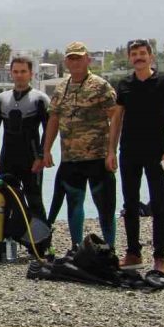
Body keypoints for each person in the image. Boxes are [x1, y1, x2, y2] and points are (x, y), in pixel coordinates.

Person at [110, 39, 164, 274]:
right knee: (130, 204)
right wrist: (111, 150)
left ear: (150, 56)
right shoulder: (125, 84)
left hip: (157, 151)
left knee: (159, 204)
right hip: (129, 151)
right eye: (134, 54)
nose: (138, 57)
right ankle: (133, 253)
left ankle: (160, 257)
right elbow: (117, 119)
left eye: (142, 53)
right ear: (129, 58)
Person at [43, 42, 119, 251]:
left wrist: (112, 151)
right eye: (71, 58)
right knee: (74, 205)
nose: (75, 62)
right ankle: (77, 247)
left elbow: (116, 117)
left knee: (105, 206)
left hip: (98, 157)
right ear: (66, 61)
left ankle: (110, 249)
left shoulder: (101, 86)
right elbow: (53, 120)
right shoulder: (61, 88)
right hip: (71, 158)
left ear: (88, 59)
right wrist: (46, 150)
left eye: (79, 57)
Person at [0, 57, 50, 228]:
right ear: (11, 74)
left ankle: (41, 243)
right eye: (16, 72)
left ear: (31, 74)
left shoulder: (40, 99)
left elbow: (49, 131)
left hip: (31, 159)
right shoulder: (1, 99)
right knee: (6, 199)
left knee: (35, 200)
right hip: (8, 158)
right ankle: (6, 241)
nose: (19, 75)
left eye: (23, 71)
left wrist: (41, 155)